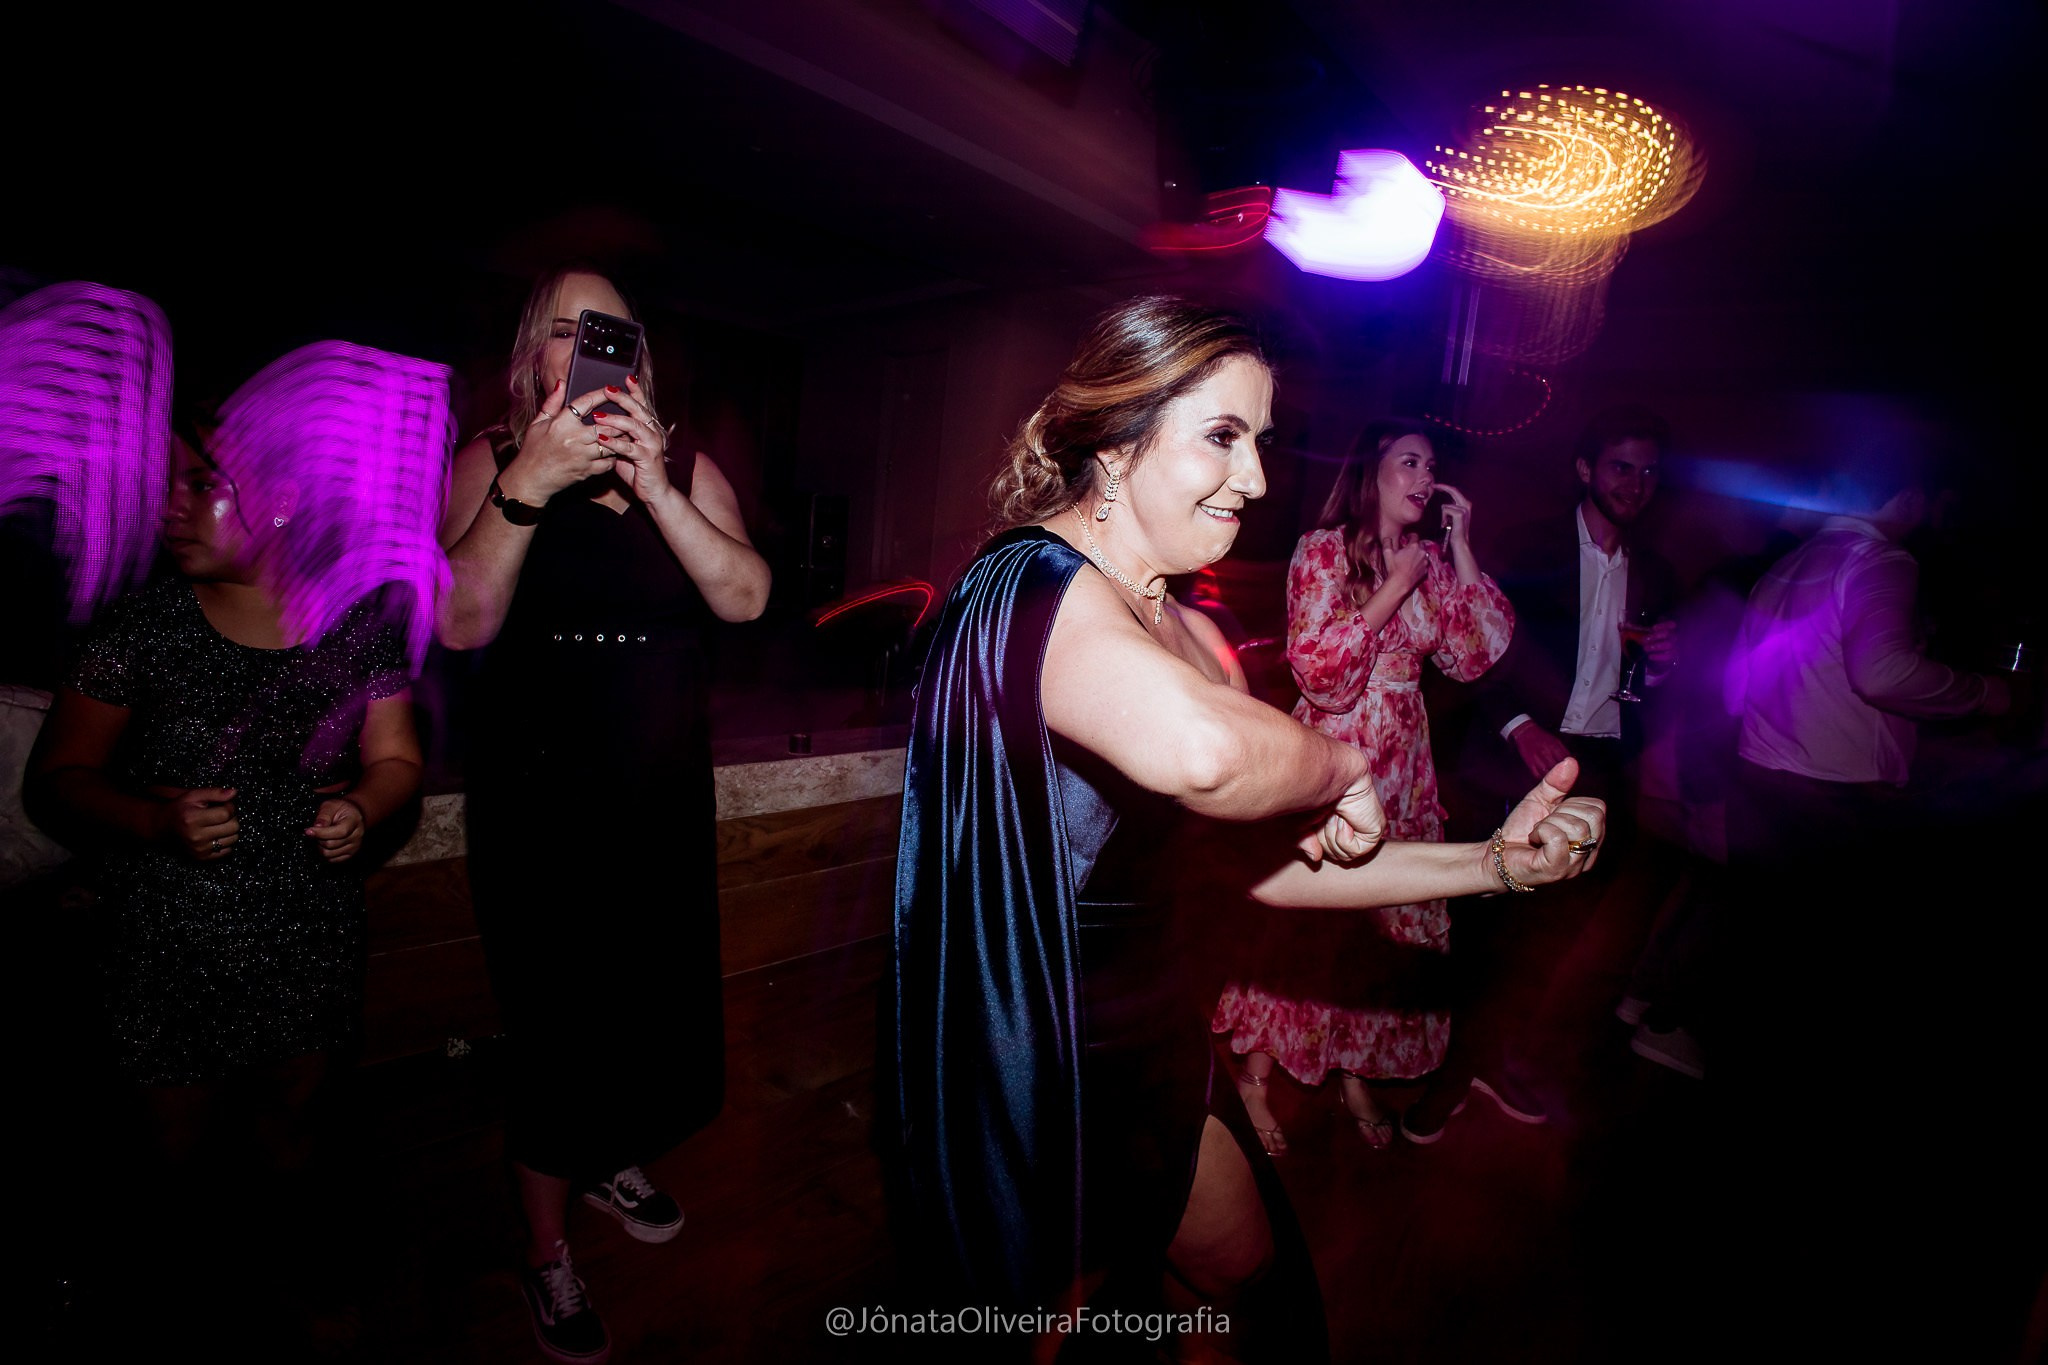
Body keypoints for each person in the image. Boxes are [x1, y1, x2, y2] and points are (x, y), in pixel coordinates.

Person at [892, 295, 1605, 1361]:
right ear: (1117, 436)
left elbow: (1269, 869)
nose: (1257, 479)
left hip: (1158, 1041)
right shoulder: (1020, 584)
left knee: (1234, 1277)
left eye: (1260, 442)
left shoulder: (1189, 630)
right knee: (1035, 1329)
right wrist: (1344, 762)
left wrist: (1496, 863)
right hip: (1028, 1053)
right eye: (1221, 438)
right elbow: (1205, 755)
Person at [27, 415, 425, 1350]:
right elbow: (56, 779)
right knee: (169, 1148)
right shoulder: (145, 620)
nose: (169, 504)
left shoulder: (357, 622)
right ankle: (169, 1301)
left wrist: (366, 806)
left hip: (306, 927)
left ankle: (281, 1280)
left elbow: (399, 757)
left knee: (291, 1131)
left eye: (200, 484)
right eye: (167, 484)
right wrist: (152, 821)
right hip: (169, 935)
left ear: (281, 503)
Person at [438, 264, 770, 1365]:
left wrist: (659, 486)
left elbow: (745, 595)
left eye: (615, 334)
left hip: (655, 801)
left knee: (637, 1008)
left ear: (641, 360)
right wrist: (530, 482)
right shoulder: (489, 460)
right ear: (534, 353)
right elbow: (457, 623)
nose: (594, 350)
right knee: (556, 1027)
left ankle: (606, 1155)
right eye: (572, 333)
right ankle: (545, 1248)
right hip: (542, 806)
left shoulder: (681, 465)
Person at [1211, 420, 1514, 1151]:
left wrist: (1462, 545)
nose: (1422, 476)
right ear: (1369, 473)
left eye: (1430, 465)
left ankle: (1353, 1066)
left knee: (1383, 927)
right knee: (1312, 924)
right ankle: (1255, 1076)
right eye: (1407, 461)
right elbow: (1322, 671)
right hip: (1333, 753)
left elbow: (1477, 654)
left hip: (1405, 763)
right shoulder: (1323, 549)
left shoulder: (1432, 561)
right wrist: (1395, 587)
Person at [1444, 402, 1684, 1131]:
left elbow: (1636, 683)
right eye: (1621, 466)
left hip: (1603, 763)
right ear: (1586, 469)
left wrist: (1666, 669)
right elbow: (1471, 651)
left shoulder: (1658, 572)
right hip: (1516, 759)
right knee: (1482, 920)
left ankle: (1500, 1056)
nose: (1635, 484)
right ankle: (1449, 1068)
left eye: (1648, 472)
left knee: (1555, 928)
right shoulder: (1531, 546)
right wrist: (1518, 728)